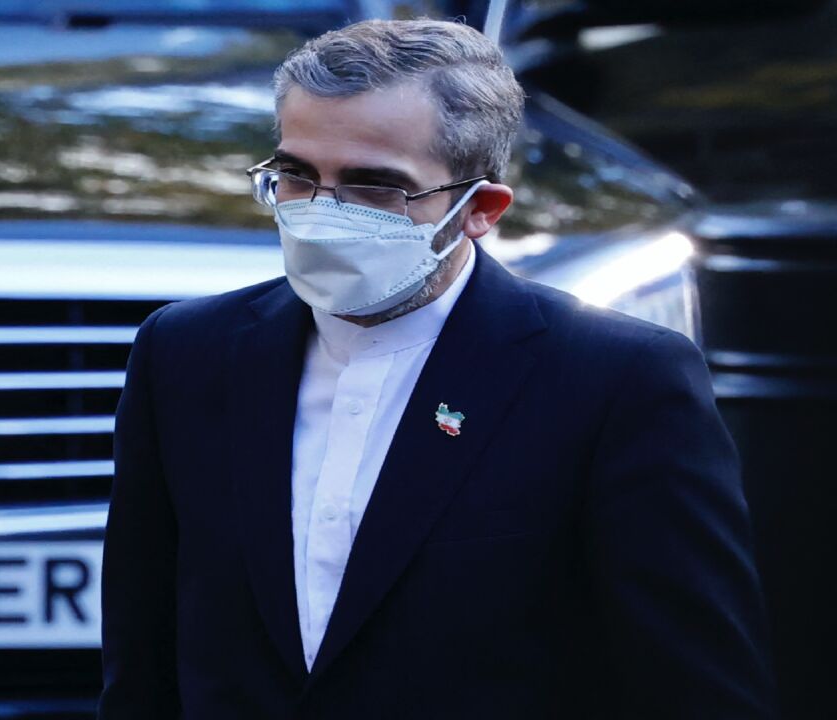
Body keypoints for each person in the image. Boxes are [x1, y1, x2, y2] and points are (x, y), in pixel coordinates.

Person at [97, 18, 776, 719]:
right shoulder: (187, 353)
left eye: (373, 186)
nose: (321, 213)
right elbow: (142, 662)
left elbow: (697, 688)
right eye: (296, 175)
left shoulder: (614, 380)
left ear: (480, 209)